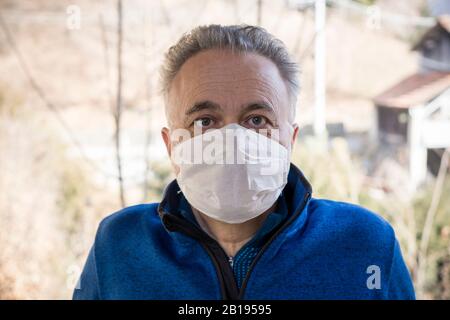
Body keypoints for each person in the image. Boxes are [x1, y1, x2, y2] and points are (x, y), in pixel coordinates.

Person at [73, 24, 415, 300]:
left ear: (290, 140)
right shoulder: (119, 245)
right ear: (171, 144)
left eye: (257, 120)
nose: (233, 140)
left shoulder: (364, 242)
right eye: (205, 121)